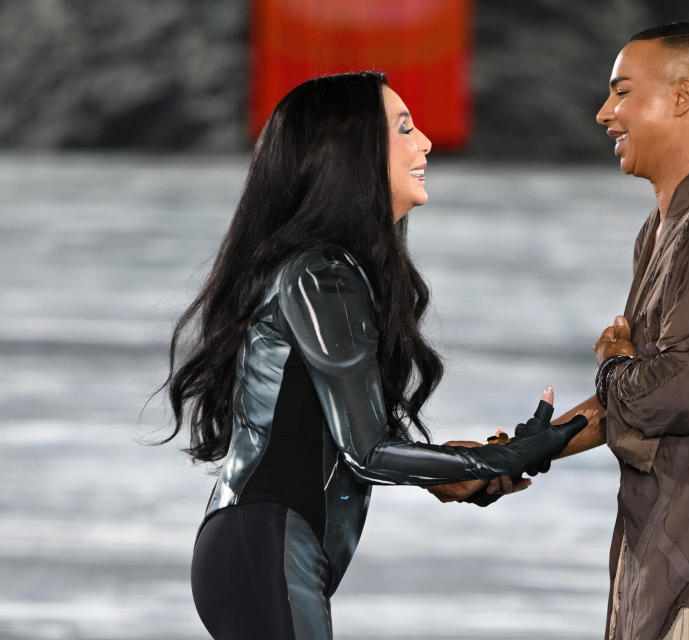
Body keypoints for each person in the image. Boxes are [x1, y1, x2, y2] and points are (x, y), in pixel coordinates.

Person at [435, 22, 689, 639]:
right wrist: (514, 455)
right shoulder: (665, 228)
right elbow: (646, 395)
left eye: (622, 92)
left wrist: (617, 368)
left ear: (681, 98)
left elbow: (677, 393)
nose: (604, 113)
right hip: (684, 557)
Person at [161, 72, 587, 639]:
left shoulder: (333, 268)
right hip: (263, 551)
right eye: (405, 129)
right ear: (351, 154)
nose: (426, 143)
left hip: (262, 551)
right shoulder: (321, 275)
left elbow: (339, 436)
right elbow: (365, 453)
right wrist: (501, 460)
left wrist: (456, 471)